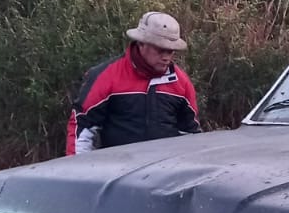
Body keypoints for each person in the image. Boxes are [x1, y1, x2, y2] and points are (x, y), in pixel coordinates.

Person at [66, 11, 201, 155]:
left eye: (171, 51)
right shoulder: (106, 76)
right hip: (116, 170)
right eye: (161, 50)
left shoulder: (181, 83)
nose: (166, 57)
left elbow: (190, 134)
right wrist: (80, 172)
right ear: (141, 43)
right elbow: (82, 127)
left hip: (165, 172)